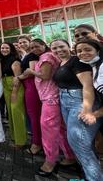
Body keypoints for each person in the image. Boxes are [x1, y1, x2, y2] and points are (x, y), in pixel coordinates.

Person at [51, 39, 102, 181]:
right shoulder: (61, 63)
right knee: (84, 144)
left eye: (61, 46)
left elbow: (87, 86)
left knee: (80, 145)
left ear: (69, 47)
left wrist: (86, 109)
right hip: (65, 101)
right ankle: (91, 176)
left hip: (78, 101)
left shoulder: (76, 61)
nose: (58, 50)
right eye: (54, 48)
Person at [23, 39, 75, 177]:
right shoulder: (50, 56)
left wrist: (31, 71)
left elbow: (45, 76)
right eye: (32, 47)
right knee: (61, 130)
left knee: (48, 130)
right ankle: (69, 157)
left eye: (37, 46)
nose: (34, 48)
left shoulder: (46, 56)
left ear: (44, 45)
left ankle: (50, 162)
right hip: (54, 97)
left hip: (50, 98)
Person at [70, 39, 103, 180]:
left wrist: (94, 113)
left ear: (98, 50)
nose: (83, 53)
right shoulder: (94, 66)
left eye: (87, 49)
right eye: (79, 51)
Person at [17, 35, 42, 155]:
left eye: (24, 42)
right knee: (31, 114)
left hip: (32, 85)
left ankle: (36, 144)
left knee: (34, 115)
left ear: (29, 42)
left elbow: (32, 72)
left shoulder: (32, 55)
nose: (22, 44)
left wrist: (18, 78)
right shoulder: (25, 55)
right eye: (20, 42)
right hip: (27, 85)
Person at [0, 42, 26, 147]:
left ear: (11, 49)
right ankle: (14, 137)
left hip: (15, 87)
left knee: (17, 112)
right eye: (2, 48)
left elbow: (17, 77)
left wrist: (14, 92)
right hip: (5, 85)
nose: (4, 49)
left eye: (6, 48)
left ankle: (21, 141)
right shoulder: (2, 60)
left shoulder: (15, 60)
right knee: (10, 112)